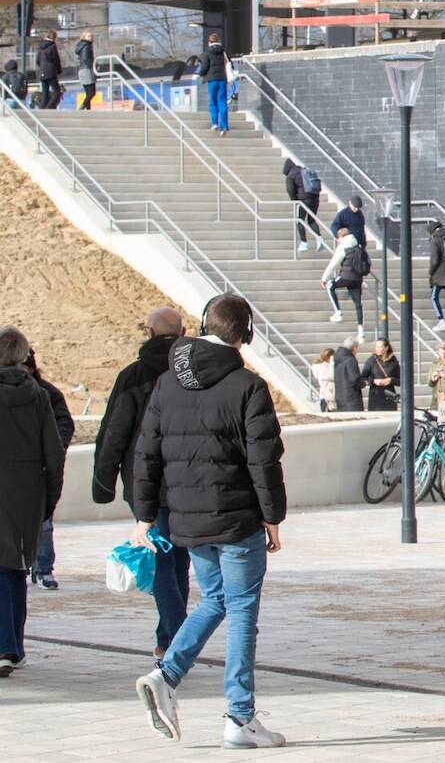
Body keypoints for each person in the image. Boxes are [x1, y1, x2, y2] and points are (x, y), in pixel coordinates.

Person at [130, 293, 287, 748]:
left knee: (215, 598)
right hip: (237, 519)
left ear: (201, 326)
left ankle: (166, 674)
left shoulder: (167, 382)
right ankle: (240, 717)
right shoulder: (248, 386)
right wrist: (273, 516)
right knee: (240, 609)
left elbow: (147, 452)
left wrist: (144, 514)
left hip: (188, 519)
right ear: (246, 335)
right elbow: (264, 460)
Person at [93, 306, 192, 654]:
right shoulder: (192, 373)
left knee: (163, 560)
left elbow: (114, 433)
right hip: (188, 480)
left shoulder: (134, 376)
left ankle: (177, 639)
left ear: (149, 333)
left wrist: (102, 483)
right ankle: (170, 639)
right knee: (178, 560)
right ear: (182, 334)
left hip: (146, 482)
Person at [0, 326, 63, 678]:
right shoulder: (37, 395)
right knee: (15, 565)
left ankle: (6, 646)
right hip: (26, 491)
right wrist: (49, 498)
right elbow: (53, 452)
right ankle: (11, 646)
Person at [25, 352, 73, 591]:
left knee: (44, 523)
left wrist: (56, 448)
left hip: (39, 469)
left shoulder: (47, 394)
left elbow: (64, 423)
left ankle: (43, 569)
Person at [320, 225, 367, 337]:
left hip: (346, 276)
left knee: (330, 285)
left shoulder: (343, 247)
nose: (337, 240)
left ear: (341, 236)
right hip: (358, 278)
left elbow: (334, 264)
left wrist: (324, 278)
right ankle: (361, 332)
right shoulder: (358, 245)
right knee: (358, 304)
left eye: (338, 238)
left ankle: (338, 313)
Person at [197, 32, 230, 134]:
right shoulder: (223, 52)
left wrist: (200, 73)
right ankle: (224, 126)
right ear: (218, 41)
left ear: (209, 42)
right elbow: (229, 64)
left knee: (213, 102)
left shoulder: (207, 52)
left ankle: (214, 123)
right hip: (222, 79)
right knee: (222, 101)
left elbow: (205, 66)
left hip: (212, 80)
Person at [362, 339, 401, 412]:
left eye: (380, 347)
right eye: (376, 347)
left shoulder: (393, 362)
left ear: (386, 348)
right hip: (376, 397)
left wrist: (391, 380)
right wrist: (374, 381)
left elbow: (400, 380)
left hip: (389, 396)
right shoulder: (371, 361)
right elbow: (363, 378)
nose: (377, 349)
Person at [330, 336, 363, 413]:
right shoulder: (350, 359)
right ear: (354, 348)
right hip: (351, 399)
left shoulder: (337, 358)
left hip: (340, 397)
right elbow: (354, 378)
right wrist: (363, 383)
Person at [34, 30, 62, 110]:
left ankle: (42, 108)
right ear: (54, 37)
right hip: (50, 71)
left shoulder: (40, 47)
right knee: (56, 91)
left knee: (45, 91)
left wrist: (42, 67)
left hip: (42, 71)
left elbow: (37, 60)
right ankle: (49, 107)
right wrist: (59, 70)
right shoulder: (52, 46)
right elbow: (56, 59)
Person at [76, 29, 98, 109]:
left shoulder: (80, 45)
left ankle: (88, 110)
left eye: (91, 36)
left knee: (88, 93)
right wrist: (93, 68)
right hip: (87, 69)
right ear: (84, 37)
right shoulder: (87, 46)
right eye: (88, 36)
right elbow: (86, 58)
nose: (90, 37)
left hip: (81, 69)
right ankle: (82, 106)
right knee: (92, 92)